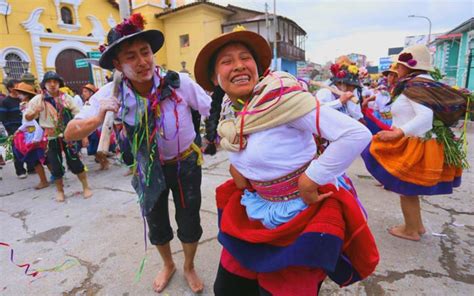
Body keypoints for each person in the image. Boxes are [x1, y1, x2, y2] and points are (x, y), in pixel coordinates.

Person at [194, 27, 379, 295]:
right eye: (227, 61)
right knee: (228, 288)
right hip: (256, 211)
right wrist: (239, 167)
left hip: (299, 216)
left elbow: (355, 134)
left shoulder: (283, 100)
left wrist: (310, 180)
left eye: (245, 58)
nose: (238, 66)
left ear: (257, 67)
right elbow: (250, 146)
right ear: (215, 77)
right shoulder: (232, 110)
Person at [64, 13, 211, 294]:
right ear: (117, 64)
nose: (142, 61)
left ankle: (189, 265)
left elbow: (209, 109)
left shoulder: (179, 82)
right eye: (131, 56)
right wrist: (97, 118)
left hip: (185, 163)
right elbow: (71, 132)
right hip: (147, 167)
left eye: (145, 52)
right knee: (156, 223)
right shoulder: (111, 93)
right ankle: (167, 264)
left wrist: (216, 136)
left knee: (189, 220)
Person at [362, 44, 468, 241]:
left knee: (406, 189)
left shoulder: (415, 86)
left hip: (417, 143)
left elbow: (425, 118)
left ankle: (410, 230)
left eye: (399, 66)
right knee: (409, 189)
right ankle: (416, 225)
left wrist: (397, 133)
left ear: (408, 67)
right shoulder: (423, 83)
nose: (396, 69)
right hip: (420, 141)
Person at [24, 71, 92, 202]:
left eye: (55, 82)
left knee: (75, 162)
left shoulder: (66, 98)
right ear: (45, 84)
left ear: (59, 83)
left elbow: (79, 116)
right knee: (55, 165)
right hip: (50, 138)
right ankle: (60, 191)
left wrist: (83, 136)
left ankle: (86, 187)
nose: (52, 84)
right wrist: (34, 112)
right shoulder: (38, 100)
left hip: (68, 136)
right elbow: (27, 117)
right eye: (49, 82)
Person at [12, 82, 49, 189]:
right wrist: (19, 130)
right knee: (44, 158)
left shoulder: (31, 107)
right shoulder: (27, 106)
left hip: (35, 135)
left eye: (19, 93)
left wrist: (36, 139)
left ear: (26, 95)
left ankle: (44, 181)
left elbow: (34, 123)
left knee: (36, 159)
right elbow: (26, 123)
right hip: (34, 134)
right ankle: (55, 177)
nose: (18, 96)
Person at [0, 78, 35, 178]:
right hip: (14, 127)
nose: (20, 88)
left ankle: (31, 167)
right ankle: (20, 171)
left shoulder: (22, 98)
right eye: (17, 86)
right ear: (10, 88)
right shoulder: (5, 101)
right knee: (17, 148)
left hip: (27, 126)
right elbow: (3, 117)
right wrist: (10, 129)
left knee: (30, 145)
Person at [316, 58, 365, 122]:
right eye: (351, 86)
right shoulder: (325, 92)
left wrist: (360, 120)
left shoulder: (352, 92)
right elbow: (317, 110)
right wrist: (340, 102)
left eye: (354, 86)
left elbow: (356, 114)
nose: (353, 89)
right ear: (342, 83)